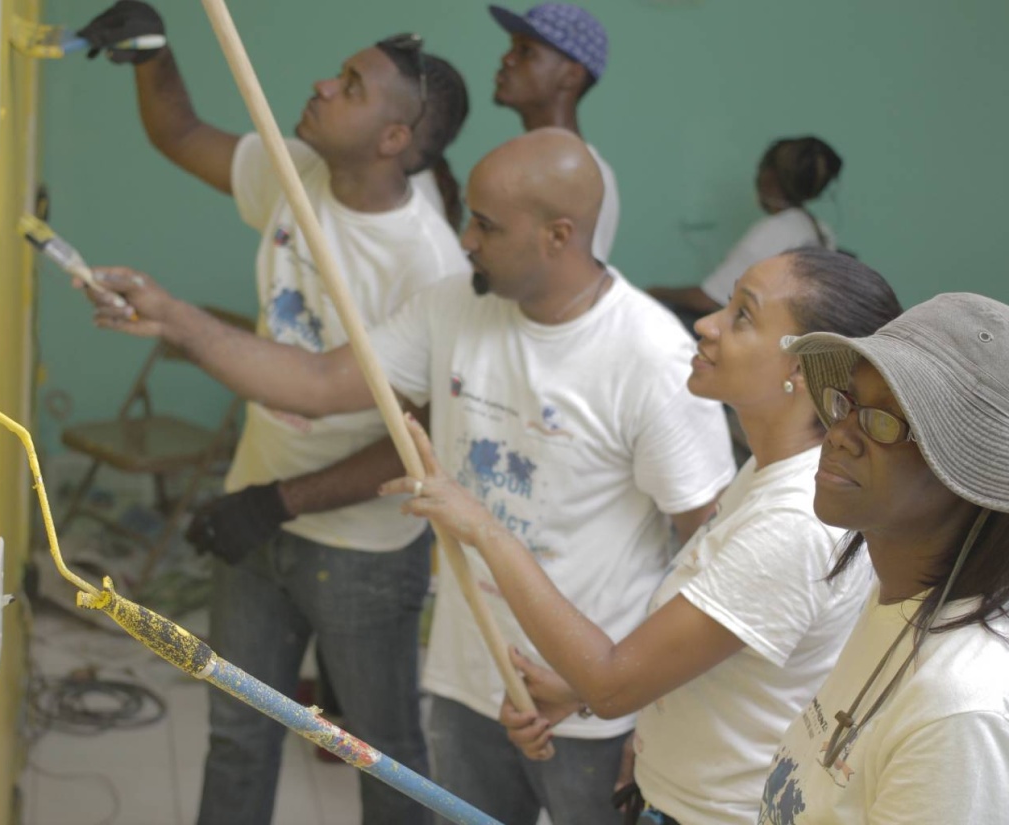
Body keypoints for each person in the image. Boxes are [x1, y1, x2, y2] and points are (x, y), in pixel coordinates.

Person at [81, 128, 736, 825]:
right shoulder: (455, 304)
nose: (464, 239)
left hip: (590, 707)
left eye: (485, 224)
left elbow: (712, 557)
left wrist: (632, 700)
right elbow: (316, 380)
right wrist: (175, 319)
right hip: (468, 676)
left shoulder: (650, 357)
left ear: (559, 234)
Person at [76, 5, 471, 824]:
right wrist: (153, 53)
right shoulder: (297, 173)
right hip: (255, 513)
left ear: (394, 138)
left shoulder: (427, 263)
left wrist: (278, 500)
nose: (325, 83)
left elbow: (401, 431)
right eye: (339, 70)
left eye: (353, 85)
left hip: (360, 551)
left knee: (385, 755)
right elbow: (179, 133)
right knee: (237, 732)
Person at [381, 247, 903, 824]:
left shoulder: (793, 520)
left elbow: (611, 685)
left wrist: (483, 528)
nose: (706, 325)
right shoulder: (769, 474)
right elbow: (713, 654)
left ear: (802, 369)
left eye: (742, 316)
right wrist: (580, 692)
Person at [755, 293, 1009, 823]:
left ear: (970, 479)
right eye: (846, 403)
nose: (840, 435)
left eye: (886, 422)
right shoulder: (898, 591)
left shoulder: (958, 707)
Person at [648, 137, 844, 328]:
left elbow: (708, 300)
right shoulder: (819, 230)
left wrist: (655, 292)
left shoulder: (774, 231)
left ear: (769, 177)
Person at [490, 2, 620, 262]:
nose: (507, 58)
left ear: (571, 75)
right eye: (511, 47)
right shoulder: (517, 161)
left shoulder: (586, 179)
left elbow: (573, 290)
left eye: (525, 51)